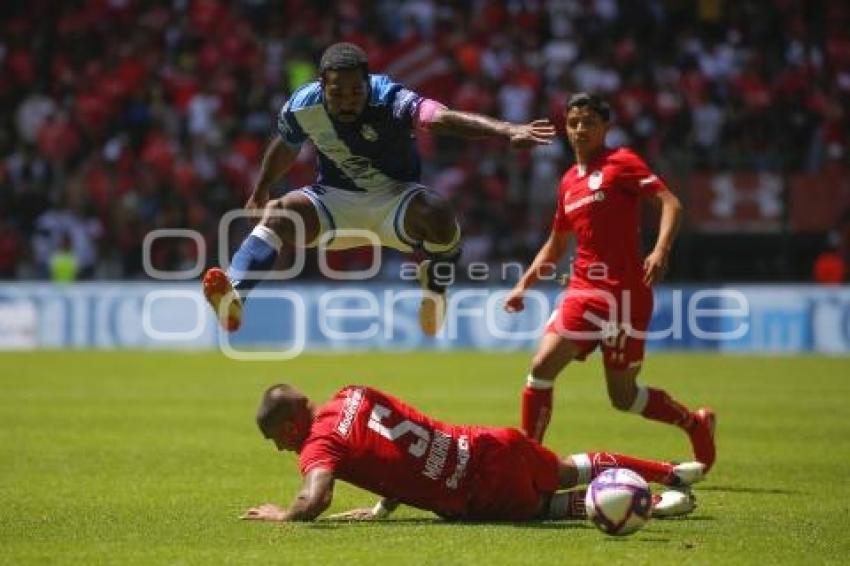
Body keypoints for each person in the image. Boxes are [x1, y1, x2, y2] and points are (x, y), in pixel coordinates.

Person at [203, 42, 556, 336]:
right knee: (280, 213)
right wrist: (262, 188)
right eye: (337, 92)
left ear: (367, 84)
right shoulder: (302, 106)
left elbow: (441, 118)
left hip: (395, 201)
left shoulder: (390, 98)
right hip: (336, 203)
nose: (347, 100)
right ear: (322, 84)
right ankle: (234, 295)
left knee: (437, 211)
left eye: (356, 91)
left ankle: (435, 286)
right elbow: (287, 145)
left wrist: (507, 130)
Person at [504, 93, 716, 471]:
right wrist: (524, 285)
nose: (580, 129)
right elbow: (556, 245)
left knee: (623, 397)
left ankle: (693, 423)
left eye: (588, 122)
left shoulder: (622, 163)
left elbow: (671, 203)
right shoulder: (568, 181)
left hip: (624, 297)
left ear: (605, 127)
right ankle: (528, 462)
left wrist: (660, 250)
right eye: (573, 123)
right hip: (583, 290)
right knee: (541, 368)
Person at [240, 383, 705, 523]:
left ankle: (655, 506)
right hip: (488, 441)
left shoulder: (318, 444)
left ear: (290, 425)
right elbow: (396, 446)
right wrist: (384, 504)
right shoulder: (353, 393)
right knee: (567, 468)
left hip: (479, 491)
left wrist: (282, 514)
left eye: (277, 439)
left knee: (551, 506)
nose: (282, 448)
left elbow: (315, 499)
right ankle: (669, 473)